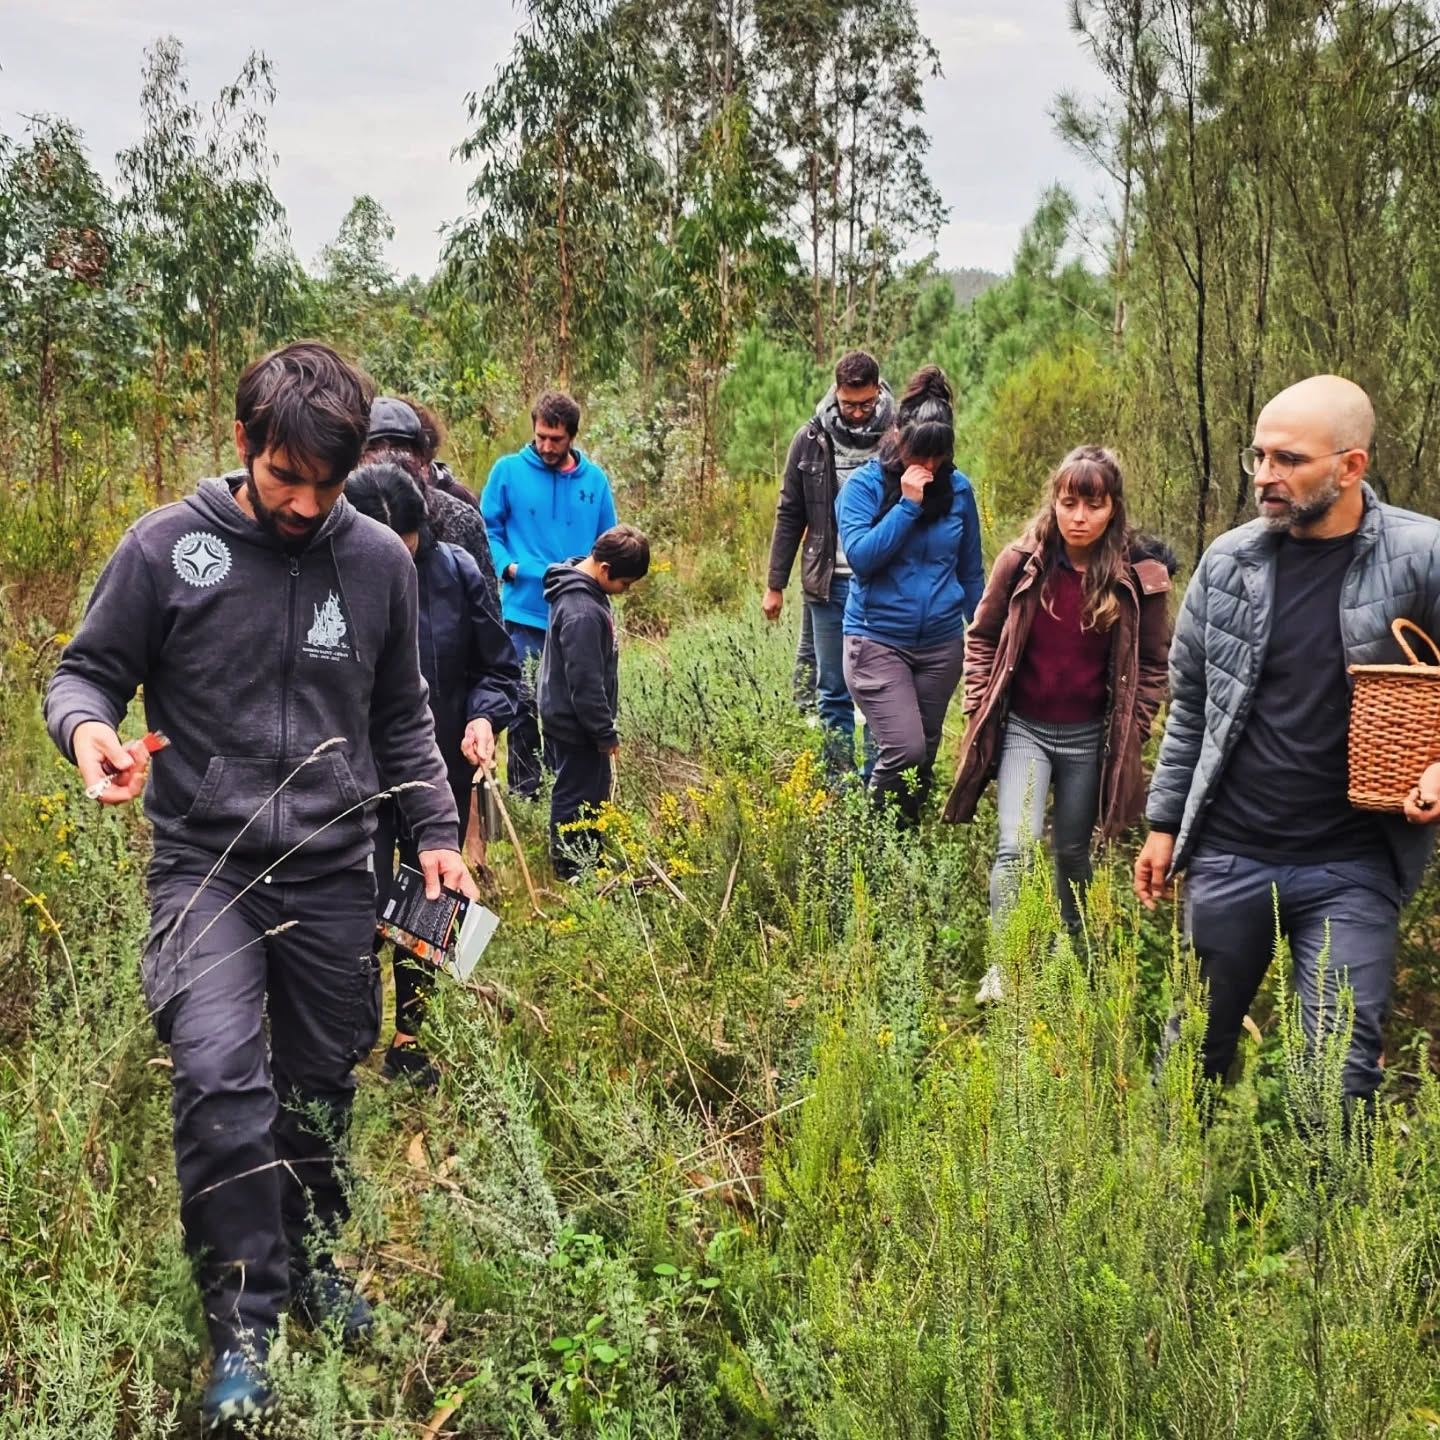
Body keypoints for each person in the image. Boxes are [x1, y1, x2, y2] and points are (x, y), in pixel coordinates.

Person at [43, 343, 476, 1428]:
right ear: (244, 445)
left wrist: (432, 829)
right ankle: (243, 1321)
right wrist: (91, 733)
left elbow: (403, 717)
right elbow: (84, 671)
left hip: (335, 869)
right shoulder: (166, 546)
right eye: (286, 477)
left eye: (326, 487)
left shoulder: (379, 557)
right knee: (222, 1083)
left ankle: (317, 1261)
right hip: (205, 866)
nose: (305, 504)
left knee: (323, 1083)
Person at [1135, 374, 1440, 1110]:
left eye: (1288, 460)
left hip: (1354, 865)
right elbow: (1193, 706)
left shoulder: (1423, 556)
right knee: (1195, 1052)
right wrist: (1164, 822)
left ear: (1351, 466)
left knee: (1337, 1075)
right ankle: (1173, 1197)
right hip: (1230, 850)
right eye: (1258, 456)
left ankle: (1323, 1220)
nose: (1265, 477)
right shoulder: (1229, 562)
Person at [943, 447, 1174, 999]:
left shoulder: (1140, 575)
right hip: (1026, 729)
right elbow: (980, 637)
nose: (1078, 517)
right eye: (1068, 502)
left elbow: (1153, 663)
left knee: (1072, 851)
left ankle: (1075, 954)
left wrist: (1135, 726)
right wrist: (980, 702)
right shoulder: (1023, 561)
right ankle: (1004, 966)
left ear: (1112, 508)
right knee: (1015, 847)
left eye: (1093, 505)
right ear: (1054, 500)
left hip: (1090, 738)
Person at [345, 461, 521, 1084]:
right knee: (356, 901)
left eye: (408, 548)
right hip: (351, 781)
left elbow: (499, 669)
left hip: (434, 771)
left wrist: (482, 719)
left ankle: (409, 1038)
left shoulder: (456, 573)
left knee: (431, 900)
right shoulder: (323, 578)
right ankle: (344, 1036)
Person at [836, 365, 986, 823]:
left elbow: (971, 572)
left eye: (938, 457)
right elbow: (861, 557)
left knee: (923, 759)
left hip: (941, 645)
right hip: (876, 640)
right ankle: (873, 840)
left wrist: (985, 638)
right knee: (905, 748)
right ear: (897, 435)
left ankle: (904, 848)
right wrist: (906, 506)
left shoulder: (959, 491)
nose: (929, 467)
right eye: (920, 454)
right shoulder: (864, 486)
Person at [481, 390, 618, 799]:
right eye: (540, 436)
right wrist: (508, 565)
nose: (545, 446)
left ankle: (566, 792)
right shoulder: (507, 471)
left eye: (555, 439)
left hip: (577, 616)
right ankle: (526, 795)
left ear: (572, 436)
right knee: (523, 707)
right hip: (524, 612)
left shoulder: (594, 482)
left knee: (570, 709)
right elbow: (487, 527)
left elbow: (607, 541)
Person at [764, 350, 895, 775]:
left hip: (883, 583)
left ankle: (876, 787)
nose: (857, 414)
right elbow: (790, 512)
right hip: (828, 581)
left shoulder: (899, 436)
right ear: (835, 393)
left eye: (865, 404)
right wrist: (775, 584)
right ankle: (838, 786)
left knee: (877, 689)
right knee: (832, 690)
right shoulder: (811, 438)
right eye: (848, 404)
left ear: (879, 390)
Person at [538, 525, 650, 877]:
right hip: (576, 725)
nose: (625, 591)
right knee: (575, 796)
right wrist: (605, 733)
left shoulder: (583, 590)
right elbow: (585, 684)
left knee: (590, 792)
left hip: (575, 719)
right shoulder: (581, 612)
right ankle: (571, 869)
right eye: (625, 583)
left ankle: (589, 858)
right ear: (604, 569)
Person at [363, 395, 500, 609]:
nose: (387, 458)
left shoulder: (459, 518)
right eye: (374, 450)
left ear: (423, 461)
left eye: (400, 449)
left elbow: (489, 618)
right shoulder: (336, 520)